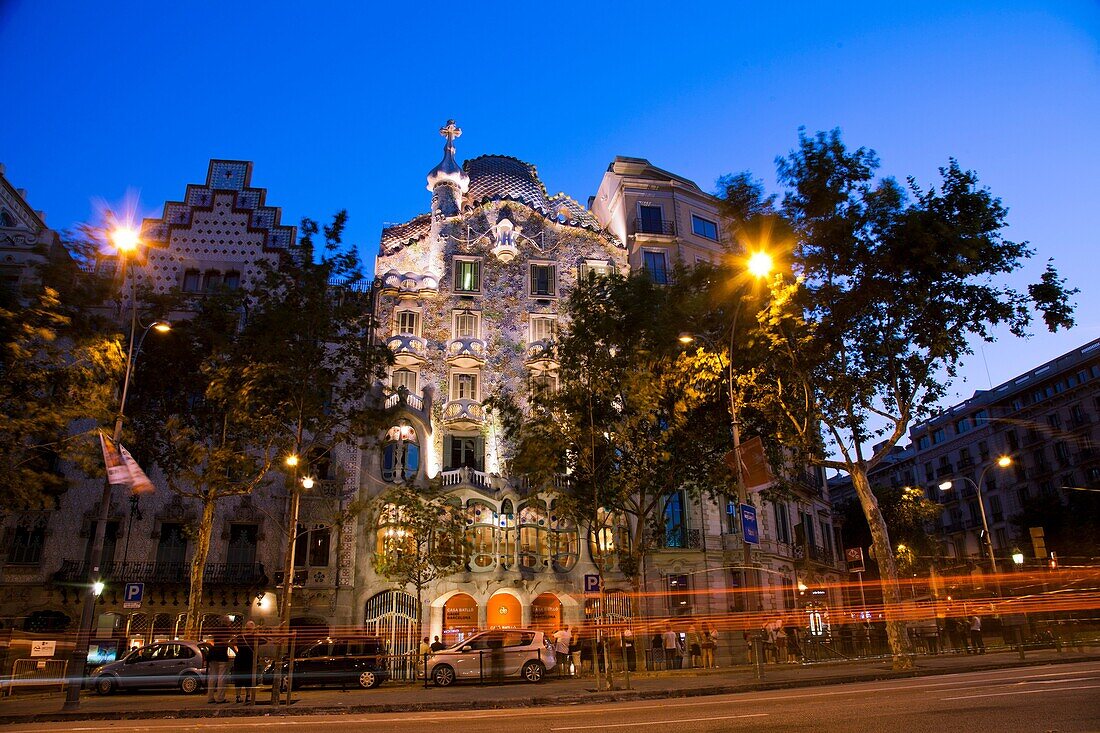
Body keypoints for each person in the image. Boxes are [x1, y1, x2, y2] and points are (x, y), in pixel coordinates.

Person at [232, 621, 265, 704]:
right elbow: (265, 640)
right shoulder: (248, 637)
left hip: (244, 660)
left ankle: (243, 696)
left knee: (244, 679)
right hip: (246, 660)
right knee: (244, 678)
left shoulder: (245, 637)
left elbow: (232, 642)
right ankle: (243, 696)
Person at [206, 628, 232, 704]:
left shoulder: (216, 633)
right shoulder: (225, 638)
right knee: (221, 677)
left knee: (212, 677)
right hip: (221, 656)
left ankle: (210, 697)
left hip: (213, 655)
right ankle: (220, 698)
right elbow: (227, 643)